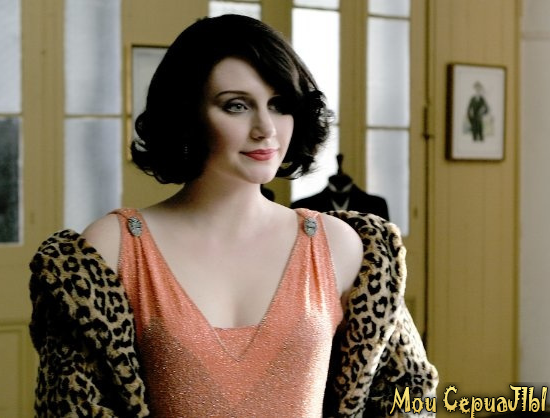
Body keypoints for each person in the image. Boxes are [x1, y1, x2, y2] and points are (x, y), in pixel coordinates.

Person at [29, 14, 437, 417]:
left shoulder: (341, 246)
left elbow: (409, 394)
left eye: (279, 105)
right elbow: (67, 408)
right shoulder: (110, 249)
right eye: (236, 106)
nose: (265, 128)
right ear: (188, 114)